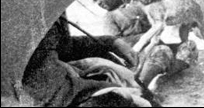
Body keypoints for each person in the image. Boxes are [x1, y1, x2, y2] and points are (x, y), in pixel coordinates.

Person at [91, 0, 199, 88]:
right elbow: (115, 42)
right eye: (95, 0)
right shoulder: (110, 17)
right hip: (139, 54)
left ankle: (168, 73)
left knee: (189, 47)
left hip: (162, 43)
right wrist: (146, 37)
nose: (98, 2)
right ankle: (142, 83)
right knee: (161, 51)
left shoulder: (140, 1)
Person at [21, 13, 150, 107]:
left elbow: (63, 48)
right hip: (57, 95)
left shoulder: (44, 7)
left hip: (67, 85)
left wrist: (112, 42)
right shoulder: (19, 20)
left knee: (111, 66)